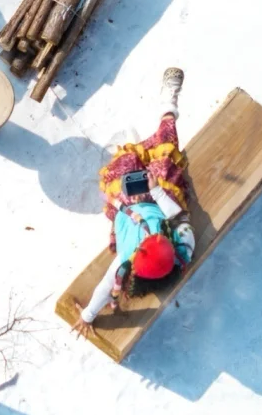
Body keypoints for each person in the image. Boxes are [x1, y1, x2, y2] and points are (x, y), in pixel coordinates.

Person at [72, 68, 196, 342]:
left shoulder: (126, 257)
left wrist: (88, 315)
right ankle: (169, 103)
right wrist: (155, 192)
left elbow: (106, 285)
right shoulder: (184, 245)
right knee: (165, 153)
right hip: (158, 201)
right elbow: (179, 216)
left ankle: (129, 146)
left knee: (124, 169)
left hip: (127, 207)